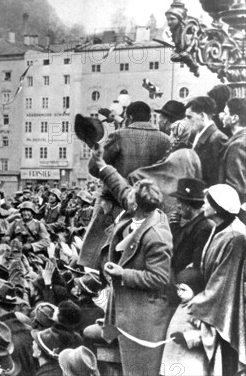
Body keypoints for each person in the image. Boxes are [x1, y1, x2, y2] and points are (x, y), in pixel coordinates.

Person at [89, 147, 173, 376]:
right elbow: (120, 187)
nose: (127, 197)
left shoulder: (156, 235)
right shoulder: (141, 211)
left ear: (135, 205)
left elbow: (159, 277)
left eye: (131, 197)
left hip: (142, 323)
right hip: (124, 312)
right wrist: (101, 164)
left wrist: (122, 274)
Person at [80, 101, 171, 269]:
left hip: (115, 203)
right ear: (149, 117)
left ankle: (94, 280)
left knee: (98, 252)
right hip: (150, 206)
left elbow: (95, 168)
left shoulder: (119, 135)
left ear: (129, 117)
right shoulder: (165, 140)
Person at [188, 184, 246, 375]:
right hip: (217, 304)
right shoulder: (219, 229)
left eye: (207, 202)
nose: (203, 205)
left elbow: (224, 284)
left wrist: (195, 303)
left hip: (228, 309)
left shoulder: (235, 237)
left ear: (216, 207)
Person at [168, 178, 214, 277]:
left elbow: (197, 266)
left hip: (187, 282)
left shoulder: (203, 228)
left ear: (188, 205)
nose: (177, 206)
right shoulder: (194, 224)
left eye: (179, 202)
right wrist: (175, 227)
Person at [186, 96, 227, 187]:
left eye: (189, 117)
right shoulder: (194, 134)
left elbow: (218, 178)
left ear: (202, 116)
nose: (186, 121)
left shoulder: (218, 139)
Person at [218, 97, 246, 202]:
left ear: (234, 118)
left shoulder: (237, 145)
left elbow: (235, 187)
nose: (221, 116)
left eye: (225, 113)